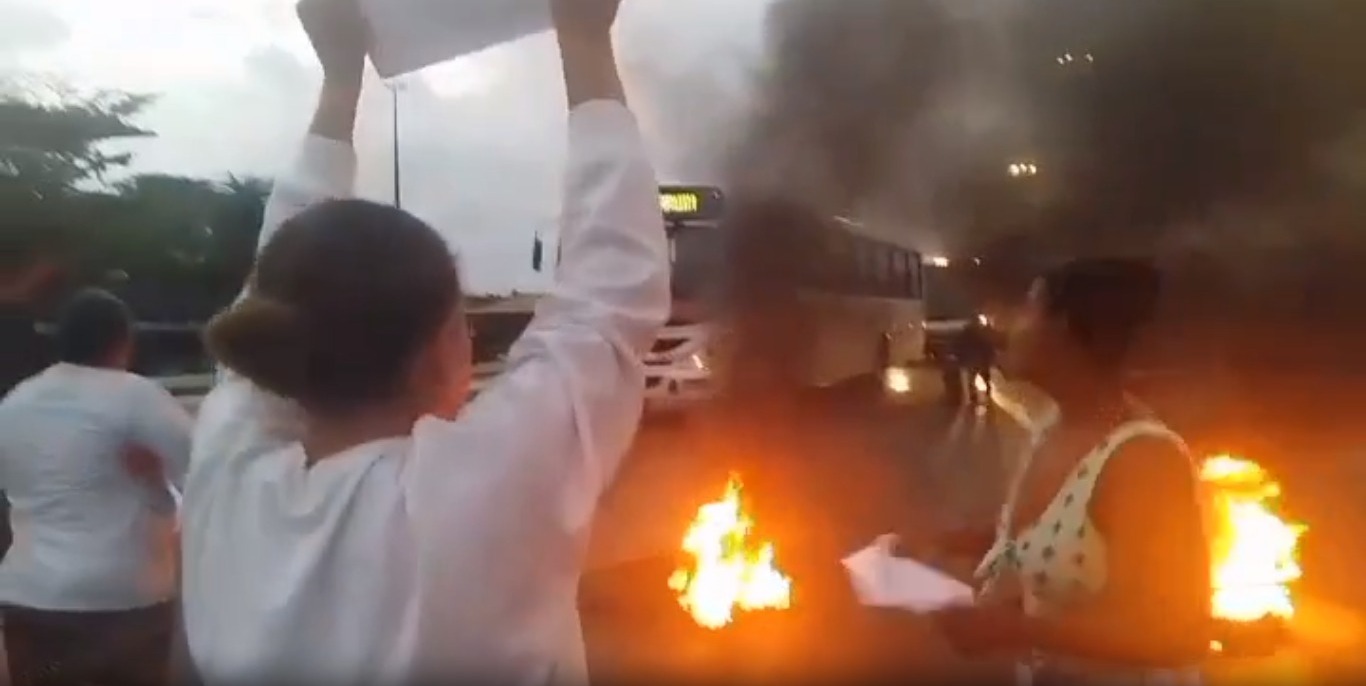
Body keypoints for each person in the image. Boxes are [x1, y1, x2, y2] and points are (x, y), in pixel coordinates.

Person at [178, 0, 668, 681]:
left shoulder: (228, 475)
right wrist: (584, 34)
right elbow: (611, 299)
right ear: (439, 349)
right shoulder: (468, 493)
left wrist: (340, 81)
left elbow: (607, 298)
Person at [929, 258, 1210, 685]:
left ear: (1061, 328)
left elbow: (1176, 632)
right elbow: (1071, 535)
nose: (1009, 327)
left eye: (1027, 309)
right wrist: (958, 540)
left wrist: (1015, 629)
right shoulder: (1050, 428)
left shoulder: (1144, 458)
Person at [0, 288, 192, 686]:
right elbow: (205, 474)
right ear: (124, 341)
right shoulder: (136, 396)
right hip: (123, 596)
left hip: (30, 595)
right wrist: (158, 484)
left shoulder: (15, 403)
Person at [959, 316, 996, 407]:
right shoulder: (982, 333)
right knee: (985, 378)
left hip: (967, 361)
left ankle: (968, 398)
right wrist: (991, 357)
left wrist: (955, 354)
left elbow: (957, 345)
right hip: (980, 361)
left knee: (967, 379)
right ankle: (985, 397)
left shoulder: (964, 334)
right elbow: (988, 346)